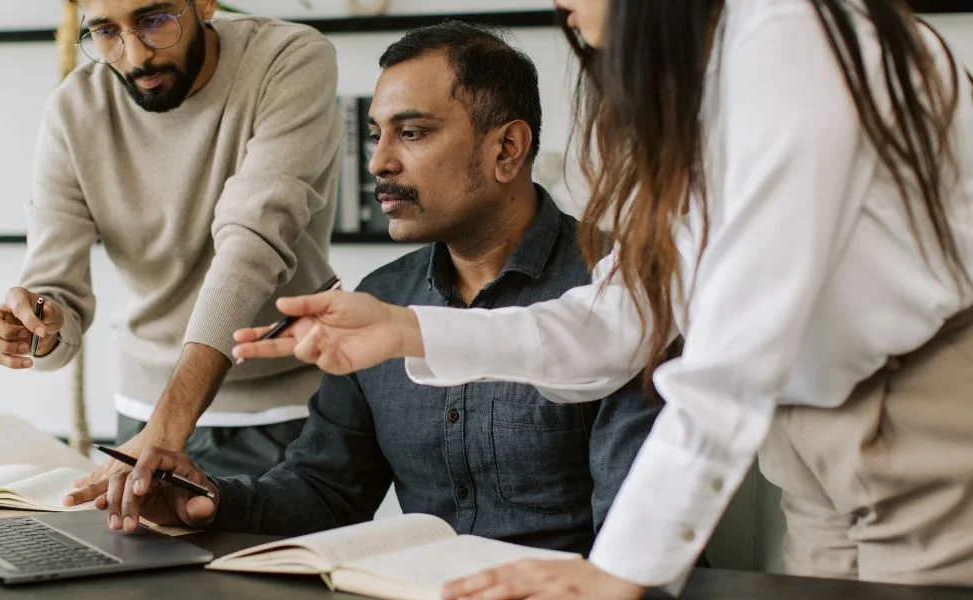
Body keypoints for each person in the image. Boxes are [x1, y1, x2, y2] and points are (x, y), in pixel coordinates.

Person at [231, 0, 973, 598]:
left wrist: (622, 569)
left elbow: (734, 352)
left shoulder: (788, 38)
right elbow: (624, 317)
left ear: (509, 149)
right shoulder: (704, 76)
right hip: (808, 442)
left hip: (911, 422)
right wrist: (404, 330)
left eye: (414, 131)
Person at [76, 21, 658, 558]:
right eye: (377, 134)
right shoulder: (380, 298)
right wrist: (208, 504)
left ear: (506, 149)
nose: (379, 162)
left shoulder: (623, 291)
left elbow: (634, 533)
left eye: (412, 133)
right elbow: (326, 492)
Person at [0, 0, 344, 484]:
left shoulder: (289, 58)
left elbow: (252, 244)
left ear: (205, 4)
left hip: (285, 410)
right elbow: (56, 289)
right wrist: (39, 325)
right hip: (144, 412)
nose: (135, 55)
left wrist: (170, 423)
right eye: (106, 31)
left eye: (154, 21)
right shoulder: (74, 110)